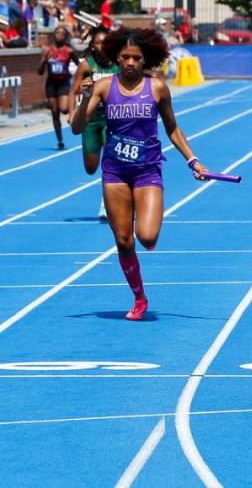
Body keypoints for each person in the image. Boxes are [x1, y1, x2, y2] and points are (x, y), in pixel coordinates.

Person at [72, 27, 208, 321]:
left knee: (146, 237)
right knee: (123, 240)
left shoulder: (157, 88)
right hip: (115, 172)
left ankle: (147, 222)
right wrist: (84, 99)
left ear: (145, 59)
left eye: (136, 58)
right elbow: (76, 127)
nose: (131, 62)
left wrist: (193, 161)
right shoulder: (104, 87)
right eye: (125, 57)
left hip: (147, 171)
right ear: (116, 58)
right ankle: (139, 297)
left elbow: (172, 128)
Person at [68, 25, 119, 219]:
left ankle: (106, 203)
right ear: (92, 45)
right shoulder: (86, 66)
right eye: (98, 43)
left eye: (105, 42)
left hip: (111, 119)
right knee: (90, 168)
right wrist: (72, 113)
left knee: (110, 160)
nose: (102, 46)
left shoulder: (117, 64)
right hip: (89, 120)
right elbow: (73, 91)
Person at [37, 25, 77, 150]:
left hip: (64, 83)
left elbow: (80, 65)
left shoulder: (69, 51)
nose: (59, 35)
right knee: (55, 113)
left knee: (64, 109)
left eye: (62, 33)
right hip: (51, 84)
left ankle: (69, 106)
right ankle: (60, 140)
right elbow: (40, 72)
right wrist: (43, 61)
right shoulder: (47, 50)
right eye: (57, 32)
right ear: (54, 35)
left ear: (65, 36)